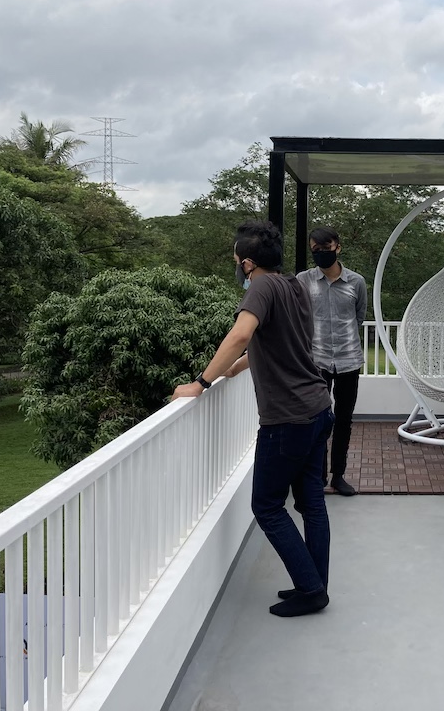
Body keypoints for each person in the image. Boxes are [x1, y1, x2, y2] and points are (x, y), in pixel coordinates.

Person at [171, 219, 333, 618]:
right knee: (312, 503)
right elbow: (283, 342)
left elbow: (242, 334)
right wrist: (237, 367)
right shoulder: (293, 285)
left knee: (267, 506)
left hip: (288, 418)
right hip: (318, 407)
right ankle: (314, 583)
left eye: (236, 261)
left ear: (247, 263)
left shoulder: (260, 287)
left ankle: (311, 589)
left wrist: (201, 383)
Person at [296, 226, 367, 497]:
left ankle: (339, 475)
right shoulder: (303, 280)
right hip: (317, 361)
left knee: (344, 419)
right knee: (318, 420)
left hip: (349, 360)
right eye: (316, 250)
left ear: (338, 247)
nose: (321, 253)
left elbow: (358, 317)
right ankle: (318, 476)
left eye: (326, 248)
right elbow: (299, 316)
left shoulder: (356, 282)